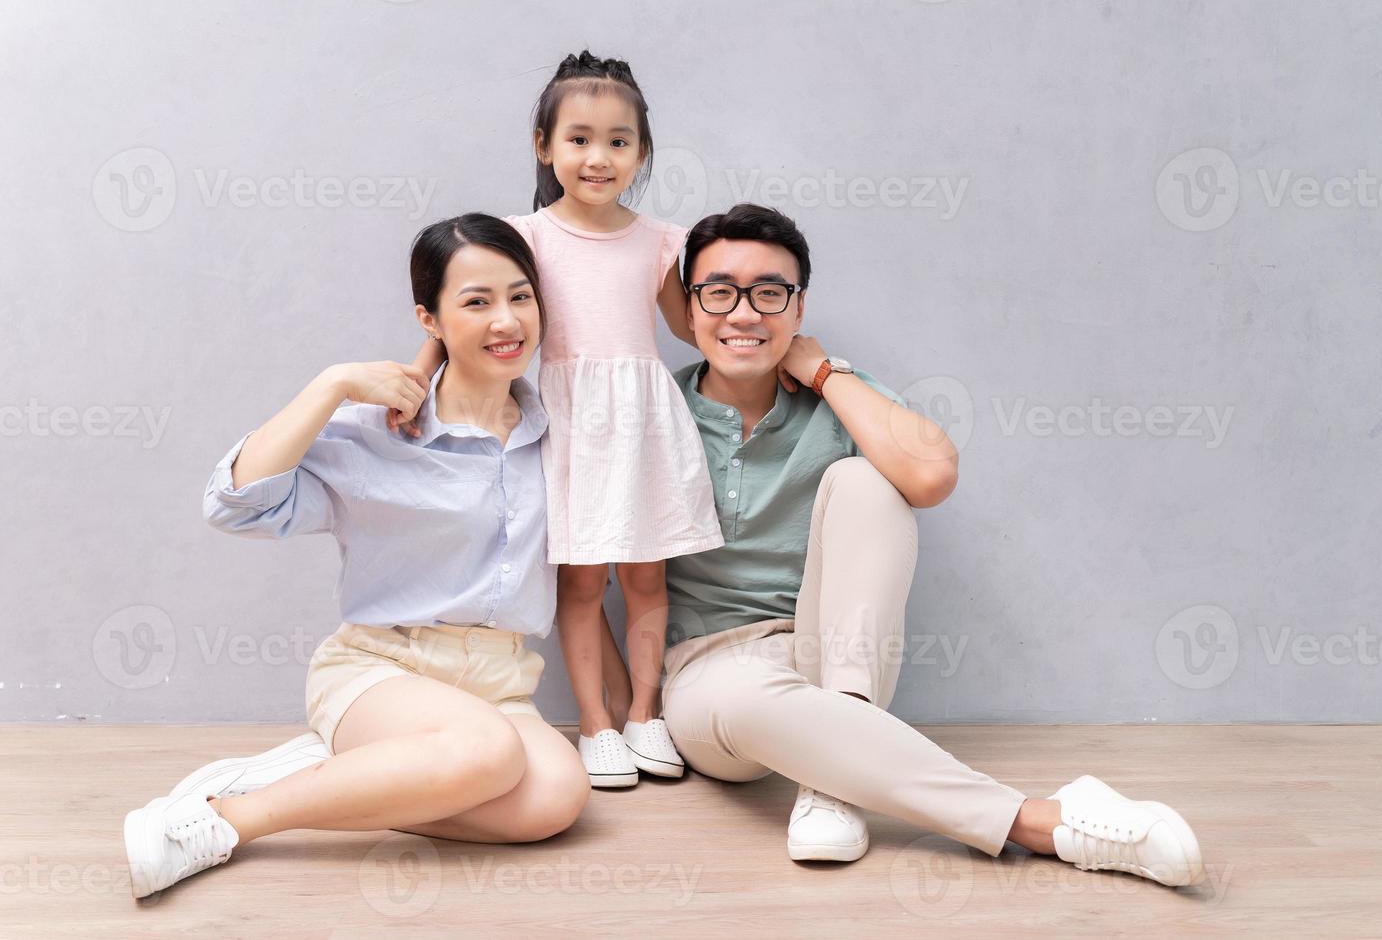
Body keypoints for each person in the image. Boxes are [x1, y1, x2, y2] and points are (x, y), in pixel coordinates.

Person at [658, 203, 1206, 886]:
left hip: (831, 655)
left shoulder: (837, 396)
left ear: (798, 310)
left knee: (869, 481)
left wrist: (826, 373)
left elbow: (930, 475)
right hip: (713, 673)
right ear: (689, 307)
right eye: (719, 291)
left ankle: (833, 778)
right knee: (746, 699)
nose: (745, 312)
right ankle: (1042, 820)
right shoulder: (655, 407)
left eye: (771, 293)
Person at [122, 214, 590, 900]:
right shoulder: (379, 433)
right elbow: (235, 504)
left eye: (521, 297)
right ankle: (228, 817)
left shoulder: (557, 428)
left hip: (499, 683)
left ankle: (362, 776)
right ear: (428, 318)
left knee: (558, 798)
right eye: (477, 301)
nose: (506, 321)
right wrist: (333, 384)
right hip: (382, 669)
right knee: (488, 754)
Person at [396, 51, 722, 788]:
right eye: (578, 139)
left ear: (641, 151)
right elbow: (470, 307)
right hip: (571, 423)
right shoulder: (528, 237)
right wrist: (418, 374)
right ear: (544, 145)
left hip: (642, 424)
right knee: (578, 586)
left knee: (646, 580)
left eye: (618, 140)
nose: (598, 157)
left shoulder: (659, 242)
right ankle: (596, 725)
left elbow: (689, 330)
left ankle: (645, 714)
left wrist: (761, 327)